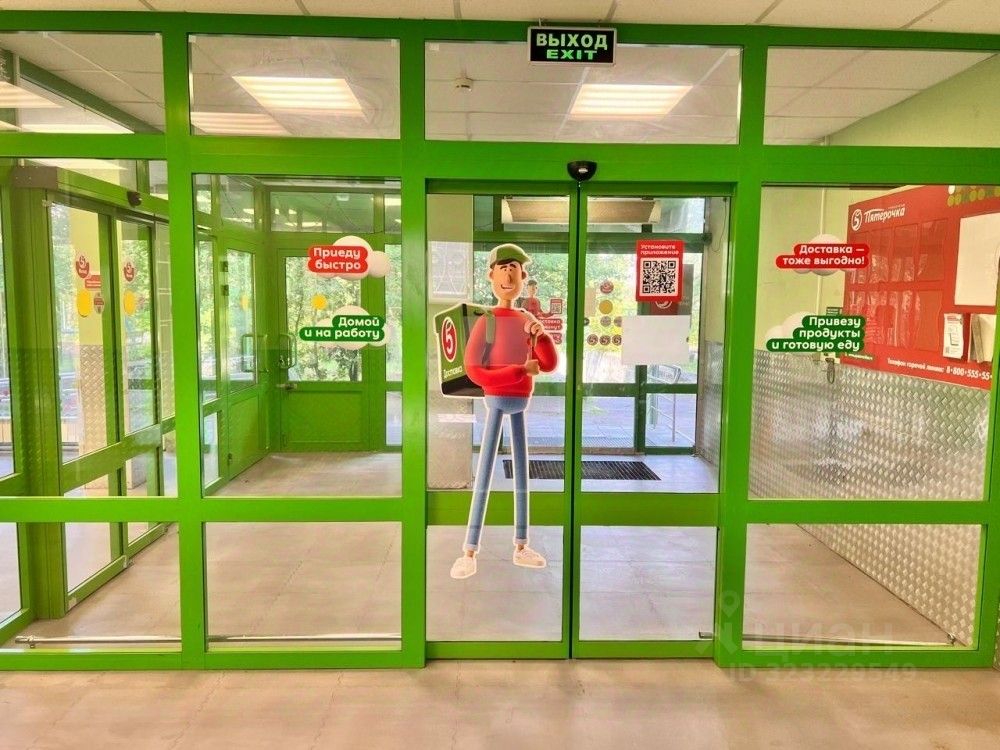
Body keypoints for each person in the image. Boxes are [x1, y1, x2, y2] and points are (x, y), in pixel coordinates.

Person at [450, 244, 558, 580]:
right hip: (496, 399)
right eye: (503, 268)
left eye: (515, 269)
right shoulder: (487, 321)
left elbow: (548, 364)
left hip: (521, 399)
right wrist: (517, 371)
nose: (509, 276)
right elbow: (474, 370)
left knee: (522, 474)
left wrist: (542, 338)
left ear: (523, 277)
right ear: (491, 275)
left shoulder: (527, 320)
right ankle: (469, 549)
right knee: (484, 473)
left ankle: (522, 545)